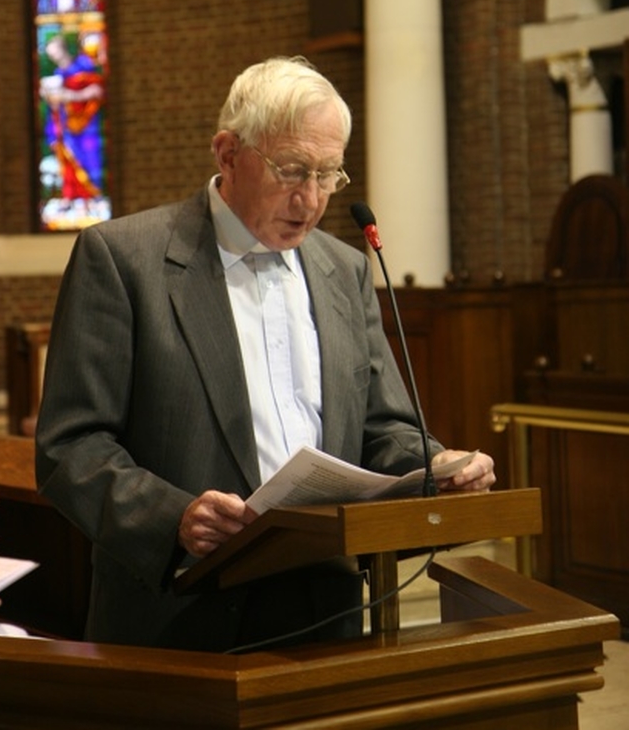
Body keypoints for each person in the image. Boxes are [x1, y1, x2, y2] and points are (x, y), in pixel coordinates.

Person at [35, 56, 495, 653]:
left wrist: (438, 467)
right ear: (227, 154)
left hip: (323, 609)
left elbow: (382, 429)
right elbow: (70, 446)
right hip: (181, 614)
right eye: (293, 170)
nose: (310, 199)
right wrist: (174, 516)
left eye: (329, 174)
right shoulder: (124, 261)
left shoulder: (345, 269)